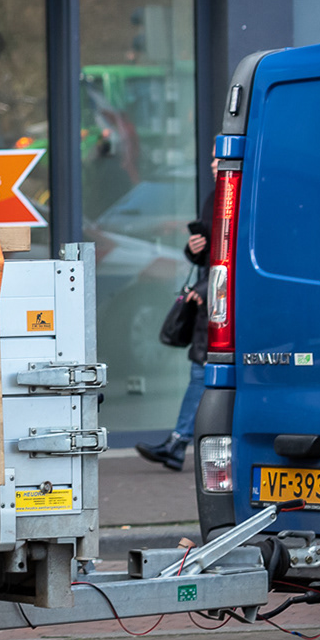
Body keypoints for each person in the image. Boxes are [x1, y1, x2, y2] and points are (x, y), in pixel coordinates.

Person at [137, 200, 210, 471]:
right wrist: (193, 251)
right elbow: (212, 253)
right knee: (201, 374)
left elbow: (237, 254)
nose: (215, 163)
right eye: (213, 158)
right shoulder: (215, 195)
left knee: (205, 376)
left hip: (223, 304)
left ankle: (178, 444)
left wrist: (205, 287)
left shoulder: (236, 192)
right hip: (211, 304)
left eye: (218, 158)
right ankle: (177, 445)